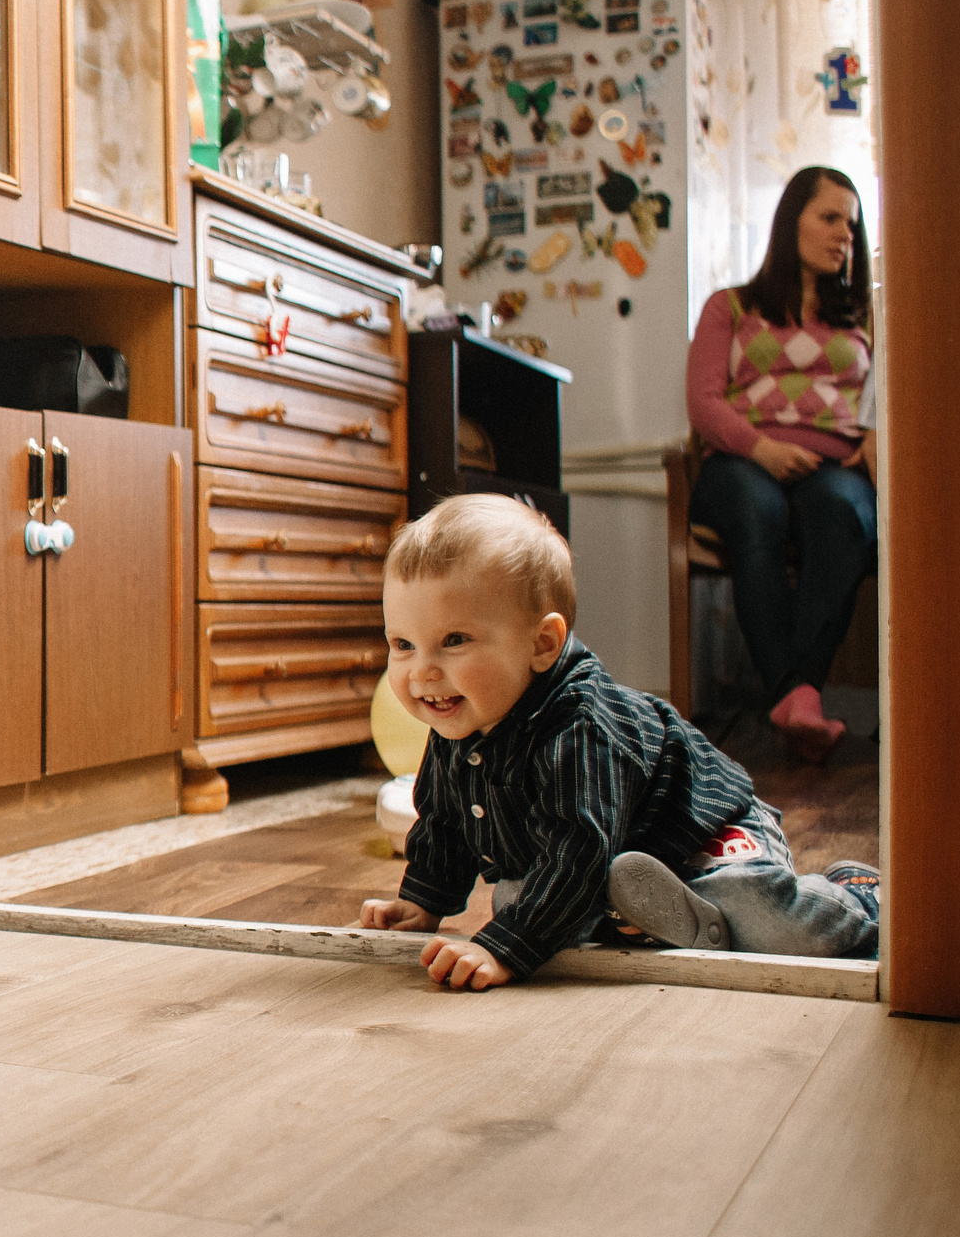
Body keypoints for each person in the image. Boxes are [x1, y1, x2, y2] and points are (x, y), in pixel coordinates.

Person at [355, 495, 878, 991]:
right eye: (402, 644)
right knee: (515, 895)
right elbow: (447, 822)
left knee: (765, 917)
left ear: (542, 645)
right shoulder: (461, 711)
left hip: (701, 834)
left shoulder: (580, 727)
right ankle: (665, 922)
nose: (421, 671)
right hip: (615, 859)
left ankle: (861, 898)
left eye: (454, 641)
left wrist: (506, 950)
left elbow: (578, 847)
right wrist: (424, 902)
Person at [684, 165, 876, 763]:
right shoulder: (731, 306)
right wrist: (760, 447)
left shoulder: (865, 318)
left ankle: (796, 697)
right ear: (790, 222)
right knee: (754, 507)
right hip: (743, 459)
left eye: (851, 222)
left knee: (845, 515)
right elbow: (702, 401)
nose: (844, 232)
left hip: (836, 468)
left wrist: (875, 442)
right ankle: (797, 693)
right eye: (828, 217)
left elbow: (888, 398)